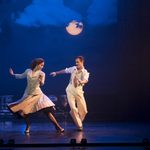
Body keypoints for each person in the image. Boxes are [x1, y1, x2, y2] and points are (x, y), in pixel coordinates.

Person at [7, 58, 64, 133]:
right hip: (28, 94)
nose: (42, 66)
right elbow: (21, 76)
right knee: (25, 111)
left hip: (38, 95)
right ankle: (28, 126)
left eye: (43, 65)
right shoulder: (28, 71)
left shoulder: (42, 73)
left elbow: (42, 83)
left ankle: (58, 127)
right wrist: (13, 74)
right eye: (41, 65)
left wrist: (40, 81)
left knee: (47, 112)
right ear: (37, 64)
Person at [50, 56, 89, 131]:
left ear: (82, 62)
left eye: (78, 62)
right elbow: (65, 70)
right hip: (70, 90)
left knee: (84, 110)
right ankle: (79, 126)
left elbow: (86, 80)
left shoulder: (85, 72)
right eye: (76, 62)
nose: (76, 63)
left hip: (79, 91)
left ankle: (77, 119)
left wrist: (82, 81)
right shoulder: (73, 68)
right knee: (73, 108)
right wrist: (56, 73)